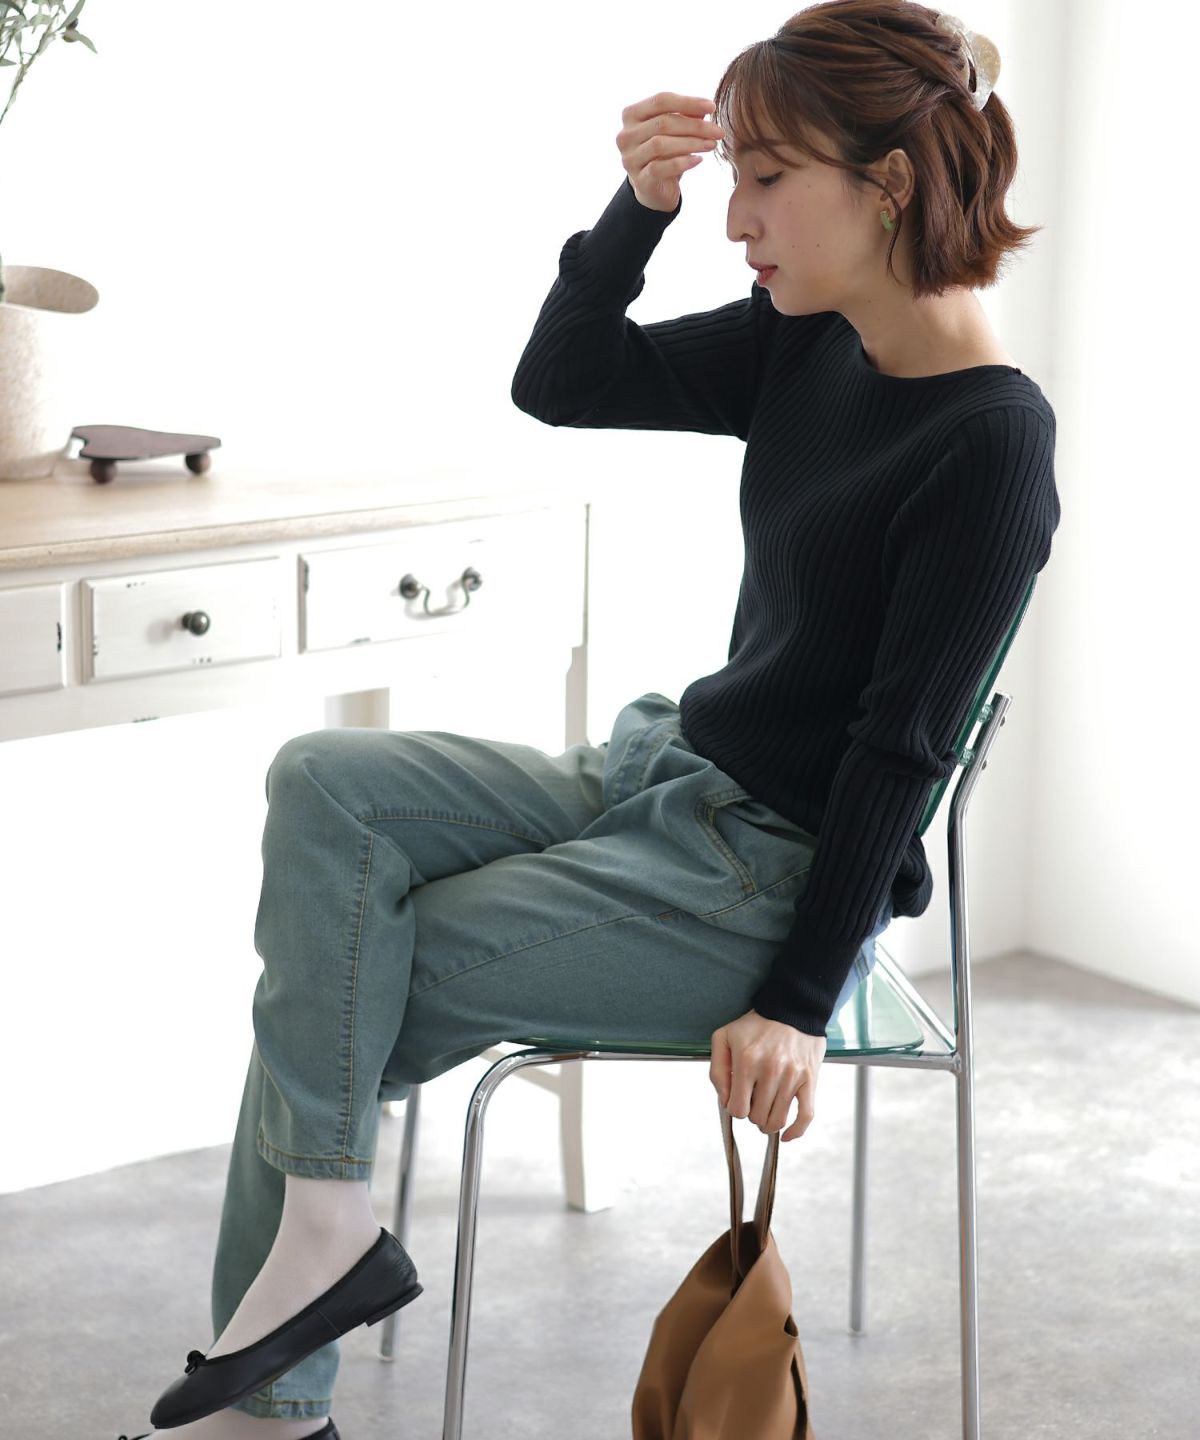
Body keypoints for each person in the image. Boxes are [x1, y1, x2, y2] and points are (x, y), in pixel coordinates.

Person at [130, 3, 1060, 1435]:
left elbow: (899, 755)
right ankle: (326, 1245)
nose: (734, 218)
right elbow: (560, 381)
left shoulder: (990, 445)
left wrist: (799, 1002)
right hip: (668, 770)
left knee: (346, 970)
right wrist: (637, 210)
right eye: (733, 179)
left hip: (767, 882)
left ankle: (280, 1399)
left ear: (886, 186)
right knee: (322, 783)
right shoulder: (812, 343)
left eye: (766, 180)